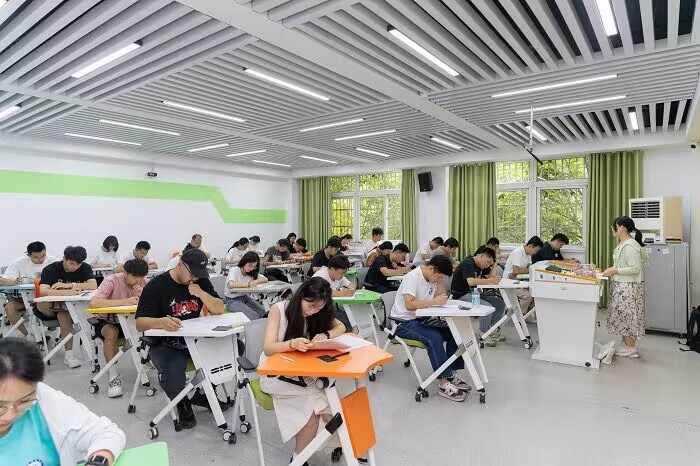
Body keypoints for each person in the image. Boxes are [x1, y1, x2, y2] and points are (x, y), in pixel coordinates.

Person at [135, 249, 227, 429]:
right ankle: (181, 400)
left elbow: (219, 309)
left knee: (231, 348)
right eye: (192, 274)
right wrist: (161, 322)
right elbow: (140, 323)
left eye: (198, 275)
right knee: (173, 370)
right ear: (180, 265)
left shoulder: (200, 282)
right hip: (166, 342)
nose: (194, 278)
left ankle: (203, 393)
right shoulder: (157, 285)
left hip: (195, 339)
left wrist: (201, 294)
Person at [259, 278, 347, 462]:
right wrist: (292, 344)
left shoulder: (318, 311)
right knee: (320, 404)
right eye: (310, 305)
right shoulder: (279, 309)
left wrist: (326, 334)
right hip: (275, 373)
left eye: (319, 308)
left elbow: (341, 327)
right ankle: (302, 458)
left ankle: (308, 455)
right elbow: (268, 348)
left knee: (329, 395)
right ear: (301, 295)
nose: (313, 310)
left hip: (301, 372)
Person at [0, 338, 125, 465]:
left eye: (23, 401)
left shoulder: (42, 399)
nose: (10, 415)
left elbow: (105, 433)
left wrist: (97, 461)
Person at [390, 255, 469, 402]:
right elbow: (409, 304)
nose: (440, 279)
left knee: (454, 333)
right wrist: (434, 302)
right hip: (403, 322)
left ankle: (451, 374)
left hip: (422, 319)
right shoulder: (412, 278)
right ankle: (443, 383)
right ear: (431, 269)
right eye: (440, 276)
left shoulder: (432, 276)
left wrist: (439, 280)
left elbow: (442, 296)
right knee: (435, 338)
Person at [89, 259, 149, 398]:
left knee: (152, 328)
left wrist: (144, 296)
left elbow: (156, 303)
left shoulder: (145, 282)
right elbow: (95, 302)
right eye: (134, 277)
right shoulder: (112, 280)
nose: (138, 281)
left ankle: (158, 366)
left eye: (141, 278)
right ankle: (113, 375)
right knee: (111, 332)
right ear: (125, 273)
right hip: (107, 321)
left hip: (132, 322)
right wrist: (125, 301)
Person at [39, 246, 97, 369]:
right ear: (64, 258)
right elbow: (43, 291)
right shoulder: (51, 269)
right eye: (71, 264)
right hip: (51, 307)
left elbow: (93, 285)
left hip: (72, 307)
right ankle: (69, 354)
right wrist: (66, 292)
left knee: (65, 314)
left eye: (78, 264)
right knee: (63, 314)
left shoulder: (85, 267)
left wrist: (70, 285)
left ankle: (70, 353)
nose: (75, 267)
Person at [603, 216, 647, 358]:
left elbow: (635, 268)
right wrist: (613, 269)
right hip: (622, 285)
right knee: (622, 316)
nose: (612, 229)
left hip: (628, 287)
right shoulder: (624, 243)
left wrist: (615, 271)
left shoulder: (630, 246)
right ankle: (625, 344)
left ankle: (630, 348)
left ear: (622, 227)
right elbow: (622, 264)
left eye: (614, 226)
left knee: (628, 316)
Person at [451, 247, 506, 347]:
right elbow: (471, 282)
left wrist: (494, 265)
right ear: (481, 256)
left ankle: (492, 330)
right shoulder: (468, 263)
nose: (488, 265)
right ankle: (484, 333)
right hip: (461, 296)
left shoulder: (480, 265)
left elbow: (490, 277)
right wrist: (491, 280)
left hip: (473, 294)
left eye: (490, 263)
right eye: (488, 262)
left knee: (499, 303)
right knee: (487, 307)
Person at [0, 242, 57, 338]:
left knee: (48, 306)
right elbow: (3, 281)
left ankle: (52, 329)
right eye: (36, 257)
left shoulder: (53, 261)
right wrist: (14, 282)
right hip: (24, 298)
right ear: (28, 255)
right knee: (9, 309)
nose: (41, 259)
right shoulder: (19, 262)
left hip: (46, 297)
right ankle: (29, 336)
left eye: (43, 255)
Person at [313, 254, 356, 331]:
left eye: (344, 273)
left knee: (351, 321)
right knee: (346, 325)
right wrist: (344, 292)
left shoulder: (338, 276)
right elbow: (323, 293)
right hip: (316, 310)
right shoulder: (320, 276)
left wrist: (349, 290)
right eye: (341, 273)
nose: (343, 275)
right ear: (332, 269)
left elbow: (352, 285)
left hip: (329, 308)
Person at [502, 236, 543, 315]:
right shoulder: (518, 253)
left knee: (536, 292)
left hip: (518, 280)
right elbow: (516, 271)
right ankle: (520, 316)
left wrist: (530, 268)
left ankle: (528, 314)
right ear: (530, 246)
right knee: (528, 295)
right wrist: (531, 269)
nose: (535, 253)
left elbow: (521, 270)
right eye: (535, 250)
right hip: (509, 283)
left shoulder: (527, 254)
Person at [224, 251, 268, 320]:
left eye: (254, 266)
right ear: (244, 261)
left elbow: (265, 279)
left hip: (245, 298)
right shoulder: (234, 270)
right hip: (231, 300)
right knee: (254, 315)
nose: (251, 268)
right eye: (250, 265)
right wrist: (249, 284)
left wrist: (256, 281)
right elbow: (231, 284)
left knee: (263, 313)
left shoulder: (251, 272)